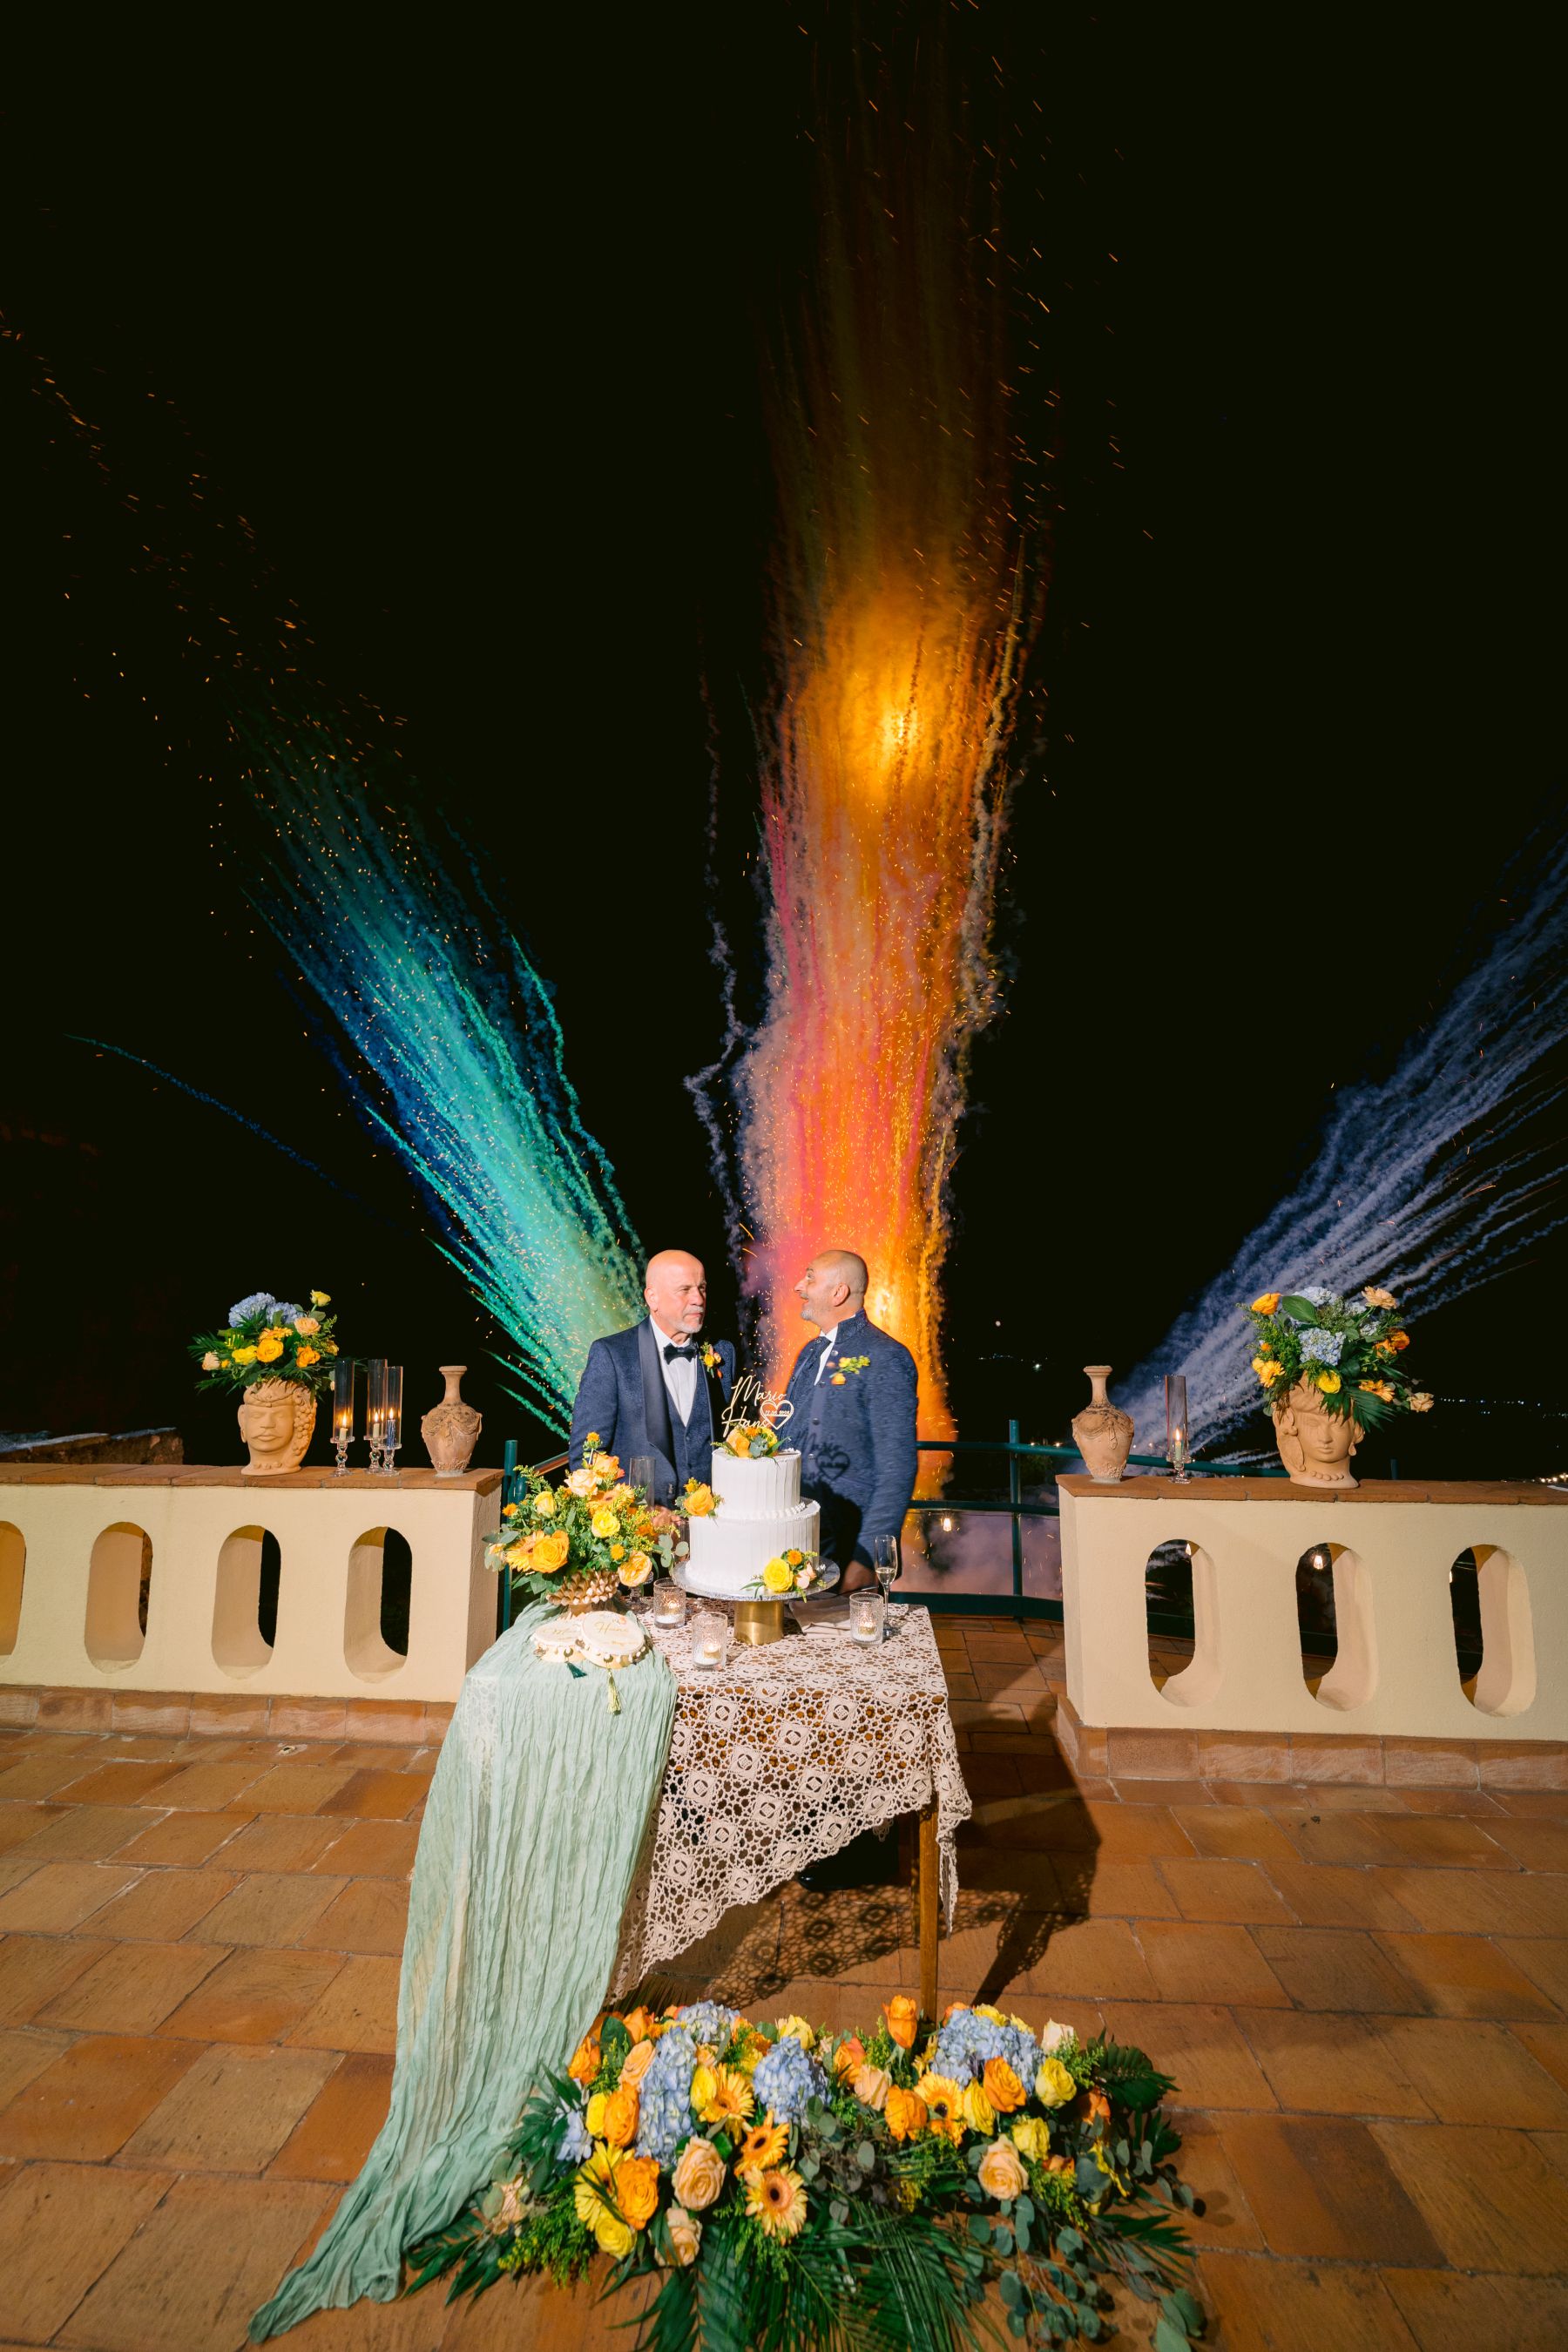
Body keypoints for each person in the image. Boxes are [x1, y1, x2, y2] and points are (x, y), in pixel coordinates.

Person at [782, 1248, 917, 1594]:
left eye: (810, 1276)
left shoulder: (887, 1356)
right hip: (798, 1538)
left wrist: (868, 1556)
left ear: (838, 1292)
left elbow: (897, 1467)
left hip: (848, 1543)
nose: (799, 1286)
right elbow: (787, 1435)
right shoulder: (808, 1354)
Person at [569, 1250, 735, 1497]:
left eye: (702, 1288)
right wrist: (635, 1512)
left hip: (710, 1522)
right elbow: (587, 1459)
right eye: (685, 1290)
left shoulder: (723, 1353)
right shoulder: (612, 1355)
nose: (698, 1299)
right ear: (652, 1298)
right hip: (643, 1527)